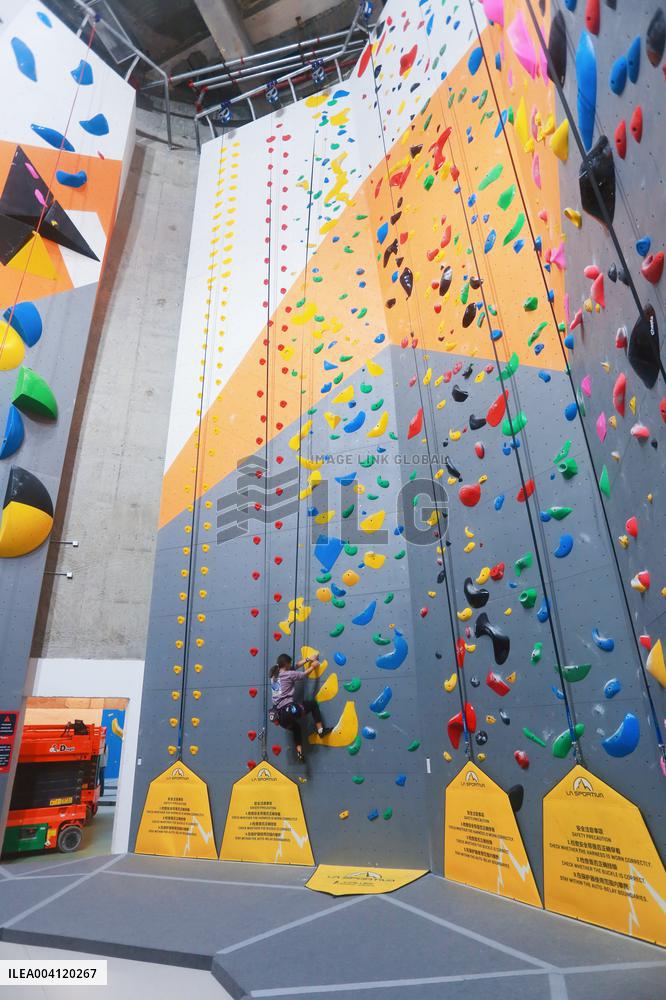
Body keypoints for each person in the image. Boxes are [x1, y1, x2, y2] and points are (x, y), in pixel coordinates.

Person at [270, 653, 331, 762]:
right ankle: (321, 730)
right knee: (313, 705)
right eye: (290, 664)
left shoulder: (274, 676)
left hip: (280, 717)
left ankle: (299, 752)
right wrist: (313, 666)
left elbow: (294, 667)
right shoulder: (288, 674)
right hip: (289, 710)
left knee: (296, 728)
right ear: (287, 664)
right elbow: (303, 675)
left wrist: (308, 659)